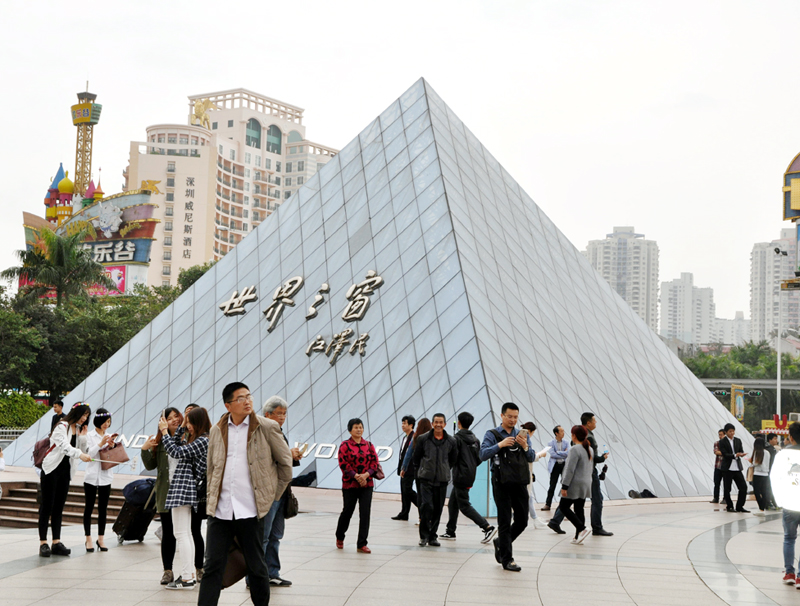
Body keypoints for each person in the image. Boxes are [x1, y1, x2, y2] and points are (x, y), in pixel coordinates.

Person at [200, 384, 292, 606]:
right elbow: (211, 468)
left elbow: (286, 466)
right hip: (220, 511)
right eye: (241, 398)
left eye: (248, 396)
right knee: (212, 566)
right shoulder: (216, 430)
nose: (247, 401)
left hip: (251, 511)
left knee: (257, 566)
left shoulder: (267, 427)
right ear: (228, 405)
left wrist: (271, 498)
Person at [159, 406, 211, 589]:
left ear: (198, 422)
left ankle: (188, 577)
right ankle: (188, 575)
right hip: (184, 488)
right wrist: (179, 428)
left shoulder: (204, 440)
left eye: (189, 423)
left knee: (181, 534)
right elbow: (178, 445)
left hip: (184, 488)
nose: (187, 426)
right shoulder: (200, 439)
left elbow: (176, 452)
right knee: (184, 534)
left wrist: (164, 431)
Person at [480, 402, 534, 572]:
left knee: (522, 521)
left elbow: (531, 456)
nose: (512, 420)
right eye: (509, 416)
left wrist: (524, 446)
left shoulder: (522, 435)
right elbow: (482, 455)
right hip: (501, 482)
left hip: (519, 481)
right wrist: (500, 445)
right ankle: (507, 559)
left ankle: (501, 543)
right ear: (502, 415)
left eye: (516, 417)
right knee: (504, 521)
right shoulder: (492, 434)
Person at [38, 403, 92, 557]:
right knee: (47, 506)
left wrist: (83, 438)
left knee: (58, 507)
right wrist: (80, 454)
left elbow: (83, 450)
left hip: (65, 472)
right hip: (51, 470)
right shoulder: (62, 426)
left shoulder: (79, 429)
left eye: (87, 416)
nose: (84, 418)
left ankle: (56, 542)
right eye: (83, 415)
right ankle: (43, 543)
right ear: (76, 413)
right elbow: (64, 447)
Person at [260, 396, 303, 587]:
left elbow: (282, 460)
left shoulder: (278, 432)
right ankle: (256, 575)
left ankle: (272, 572)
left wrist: (292, 456)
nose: (282, 417)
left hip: (282, 491)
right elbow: (265, 460)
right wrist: (288, 454)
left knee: (276, 535)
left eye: (284, 414)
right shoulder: (262, 432)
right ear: (268, 414)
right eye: (279, 413)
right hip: (269, 492)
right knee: (263, 536)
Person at [548, 412, 612, 536]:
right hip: (587, 474)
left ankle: (557, 521)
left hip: (581, 475)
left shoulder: (579, 437)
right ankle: (595, 527)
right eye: (594, 420)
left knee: (570, 500)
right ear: (588, 423)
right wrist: (602, 458)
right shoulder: (587, 438)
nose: (596, 422)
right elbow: (587, 459)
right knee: (596, 499)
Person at [142, 407, 183, 585]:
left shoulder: (187, 438)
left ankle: (195, 568)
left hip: (183, 493)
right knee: (168, 534)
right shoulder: (159, 442)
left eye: (176, 416)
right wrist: (145, 449)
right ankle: (168, 570)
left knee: (187, 533)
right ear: (163, 422)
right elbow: (151, 465)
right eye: (170, 418)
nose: (174, 420)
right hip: (166, 493)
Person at [441, 412, 495, 543]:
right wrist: (470, 465)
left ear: (458, 422)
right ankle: (450, 531)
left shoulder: (456, 439)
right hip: (470, 474)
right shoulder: (475, 439)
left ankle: (487, 527)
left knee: (464, 505)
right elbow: (479, 458)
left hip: (460, 475)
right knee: (453, 503)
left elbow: (452, 458)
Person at [413, 413, 457, 547]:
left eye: (441, 422)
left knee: (438, 509)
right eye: (436, 422)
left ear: (445, 424)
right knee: (426, 506)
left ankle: (433, 536)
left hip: (442, 480)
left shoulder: (451, 441)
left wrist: (444, 469)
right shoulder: (423, 439)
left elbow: (453, 459)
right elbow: (416, 457)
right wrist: (423, 469)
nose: (438, 424)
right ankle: (424, 536)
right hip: (426, 478)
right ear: (432, 424)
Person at [336, 418, 379, 553]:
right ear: (350, 430)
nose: (359, 430)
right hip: (350, 484)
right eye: (356, 427)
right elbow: (344, 464)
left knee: (365, 513)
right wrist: (356, 476)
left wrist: (366, 475)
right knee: (348, 511)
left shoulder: (369, 445)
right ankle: (340, 535)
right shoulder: (345, 446)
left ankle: (362, 543)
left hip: (367, 484)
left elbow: (375, 463)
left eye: (360, 427)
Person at [81, 408, 117, 552]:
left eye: (108, 422)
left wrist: (112, 446)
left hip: (106, 477)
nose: (106, 425)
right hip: (90, 476)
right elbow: (88, 454)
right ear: (98, 421)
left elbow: (113, 458)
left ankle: (101, 539)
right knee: (88, 508)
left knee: (103, 509)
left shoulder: (109, 436)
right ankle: (88, 538)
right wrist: (101, 443)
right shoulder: (89, 435)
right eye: (104, 422)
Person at [770, 421, 800, 587]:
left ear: (791, 437)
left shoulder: (782, 455)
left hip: (789, 503)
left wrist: (779, 500)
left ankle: (789, 572)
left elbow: (774, 478)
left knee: (789, 538)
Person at [559, 425, 594, 545]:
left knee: (564, 507)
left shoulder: (574, 449)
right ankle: (578, 536)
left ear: (574, 435)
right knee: (579, 508)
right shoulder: (589, 449)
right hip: (585, 483)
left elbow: (569, 469)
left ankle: (581, 528)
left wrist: (564, 486)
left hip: (574, 483)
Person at [401, 417, 432, 525]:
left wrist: (403, 467)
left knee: (420, 494)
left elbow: (408, 454)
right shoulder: (433, 437)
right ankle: (430, 517)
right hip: (431, 470)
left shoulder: (416, 437)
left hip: (419, 469)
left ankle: (421, 518)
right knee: (429, 495)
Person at [520, 422, 549, 529]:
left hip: (524, 472)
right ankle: (533, 518)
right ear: (530, 431)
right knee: (527, 496)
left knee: (529, 496)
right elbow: (529, 458)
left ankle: (534, 518)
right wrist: (540, 455)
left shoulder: (520, 437)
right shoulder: (525, 439)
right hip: (524, 473)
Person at [392, 415, 418, 521]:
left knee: (407, 490)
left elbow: (411, 455)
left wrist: (405, 467)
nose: (402, 425)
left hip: (410, 469)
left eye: (405, 423)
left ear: (411, 425)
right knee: (404, 491)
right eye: (402, 423)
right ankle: (404, 513)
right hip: (404, 469)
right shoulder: (405, 437)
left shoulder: (414, 437)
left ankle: (421, 505)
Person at [719, 422, 749, 513]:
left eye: (733, 431)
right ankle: (730, 506)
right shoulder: (722, 442)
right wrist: (735, 455)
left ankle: (740, 506)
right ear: (726, 432)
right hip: (727, 468)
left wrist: (741, 454)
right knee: (727, 488)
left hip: (737, 467)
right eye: (730, 431)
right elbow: (724, 454)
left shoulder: (738, 440)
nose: (732, 433)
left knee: (743, 487)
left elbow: (740, 450)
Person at [542, 425, 569, 511]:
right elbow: (552, 454)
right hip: (555, 465)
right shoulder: (550, 443)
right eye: (561, 431)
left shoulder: (566, 442)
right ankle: (548, 504)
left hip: (564, 465)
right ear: (556, 433)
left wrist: (558, 452)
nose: (563, 433)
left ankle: (565, 505)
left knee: (565, 485)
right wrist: (562, 452)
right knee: (552, 485)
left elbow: (568, 453)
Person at [747, 437, 771, 515]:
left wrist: (750, 460)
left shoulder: (757, 452)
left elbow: (755, 463)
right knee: (764, 492)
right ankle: (762, 508)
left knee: (757, 492)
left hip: (757, 474)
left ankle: (761, 508)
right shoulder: (767, 452)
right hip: (765, 474)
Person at [710, 429, 725, 504]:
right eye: (719, 434)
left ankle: (725, 498)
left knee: (726, 483)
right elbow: (716, 452)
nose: (720, 436)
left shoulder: (728, 443)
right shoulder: (717, 443)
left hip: (725, 466)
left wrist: (722, 452)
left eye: (721, 434)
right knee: (716, 482)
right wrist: (725, 452)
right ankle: (716, 498)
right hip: (718, 466)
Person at [766, 433, 779, 509]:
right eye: (774, 439)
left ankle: (771, 503)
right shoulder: (771, 449)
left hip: (768, 471)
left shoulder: (769, 448)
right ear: (770, 440)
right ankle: (771, 503)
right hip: (770, 471)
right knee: (770, 488)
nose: (776, 440)